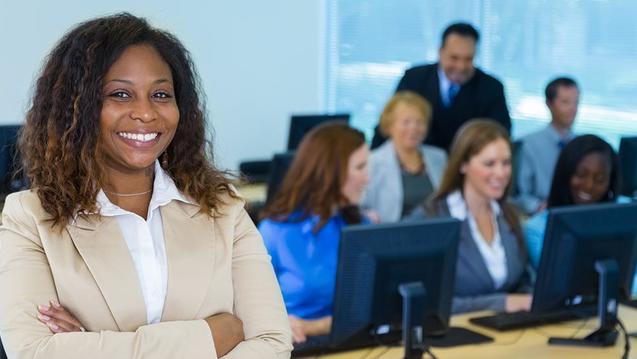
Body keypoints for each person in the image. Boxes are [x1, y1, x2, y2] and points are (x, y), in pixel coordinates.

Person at [0, 13, 291, 358]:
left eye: (161, 94)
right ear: (75, 108)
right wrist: (213, 336)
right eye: (121, 94)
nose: (146, 113)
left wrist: (92, 341)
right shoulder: (29, 219)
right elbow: (35, 352)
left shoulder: (223, 209)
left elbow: (272, 342)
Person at [258, 123, 369, 344]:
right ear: (330, 172)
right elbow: (246, 311)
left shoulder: (359, 224)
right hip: (296, 346)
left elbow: (372, 307)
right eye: (360, 167)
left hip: (353, 343)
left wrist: (314, 326)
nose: (368, 178)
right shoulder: (275, 232)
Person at [408, 119, 531, 314]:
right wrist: (501, 303)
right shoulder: (430, 219)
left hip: (508, 335)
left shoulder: (510, 214)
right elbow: (425, 303)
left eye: (506, 163)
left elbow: (522, 281)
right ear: (463, 165)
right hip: (455, 338)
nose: (500, 173)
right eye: (489, 164)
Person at [371, 22, 511, 152]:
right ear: (440, 52)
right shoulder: (414, 79)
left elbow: (499, 137)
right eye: (454, 58)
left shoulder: (491, 88)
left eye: (468, 59)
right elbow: (388, 125)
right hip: (416, 167)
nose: (461, 67)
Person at [524, 134, 625, 269]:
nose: (589, 185)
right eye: (581, 174)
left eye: (600, 179)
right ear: (565, 173)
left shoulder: (622, 222)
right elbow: (556, 279)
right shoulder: (537, 229)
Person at [362, 91, 447, 222]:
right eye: (406, 122)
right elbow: (361, 207)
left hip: (436, 234)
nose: (413, 128)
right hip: (391, 236)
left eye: (420, 122)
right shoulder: (372, 161)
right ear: (390, 125)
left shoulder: (439, 157)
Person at [515, 77, 580, 215]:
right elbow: (519, 195)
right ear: (549, 104)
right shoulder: (529, 144)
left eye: (576, 102)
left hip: (576, 213)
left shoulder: (582, 145)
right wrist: (538, 207)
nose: (573, 109)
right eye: (565, 102)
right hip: (542, 214)